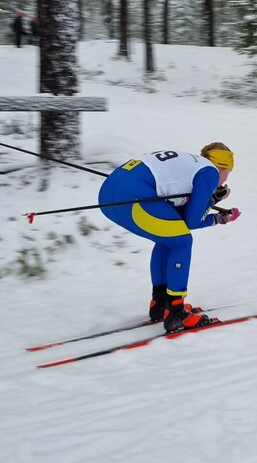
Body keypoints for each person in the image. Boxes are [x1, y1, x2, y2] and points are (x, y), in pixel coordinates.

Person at [98, 142, 241, 333]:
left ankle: (161, 303)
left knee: (169, 238)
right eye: (228, 173)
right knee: (181, 241)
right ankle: (176, 311)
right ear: (222, 167)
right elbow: (191, 221)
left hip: (110, 193)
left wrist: (212, 203)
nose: (223, 181)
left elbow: (180, 216)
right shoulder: (210, 172)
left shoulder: (192, 165)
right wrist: (217, 215)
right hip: (132, 196)